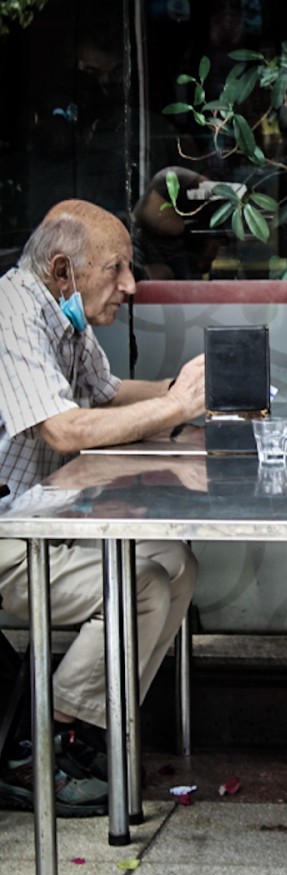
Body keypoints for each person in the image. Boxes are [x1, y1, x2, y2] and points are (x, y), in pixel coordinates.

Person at [0, 199, 205, 816]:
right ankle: (44, 745)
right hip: (8, 532)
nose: (130, 286)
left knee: (177, 561)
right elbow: (64, 430)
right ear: (64, 270)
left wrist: (192, 389)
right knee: (139, 583)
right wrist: (176, 410)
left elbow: (108, 397)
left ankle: (92, 729)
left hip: (48, 518)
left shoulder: (64, 312)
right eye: (116, 269)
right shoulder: (12, 312)